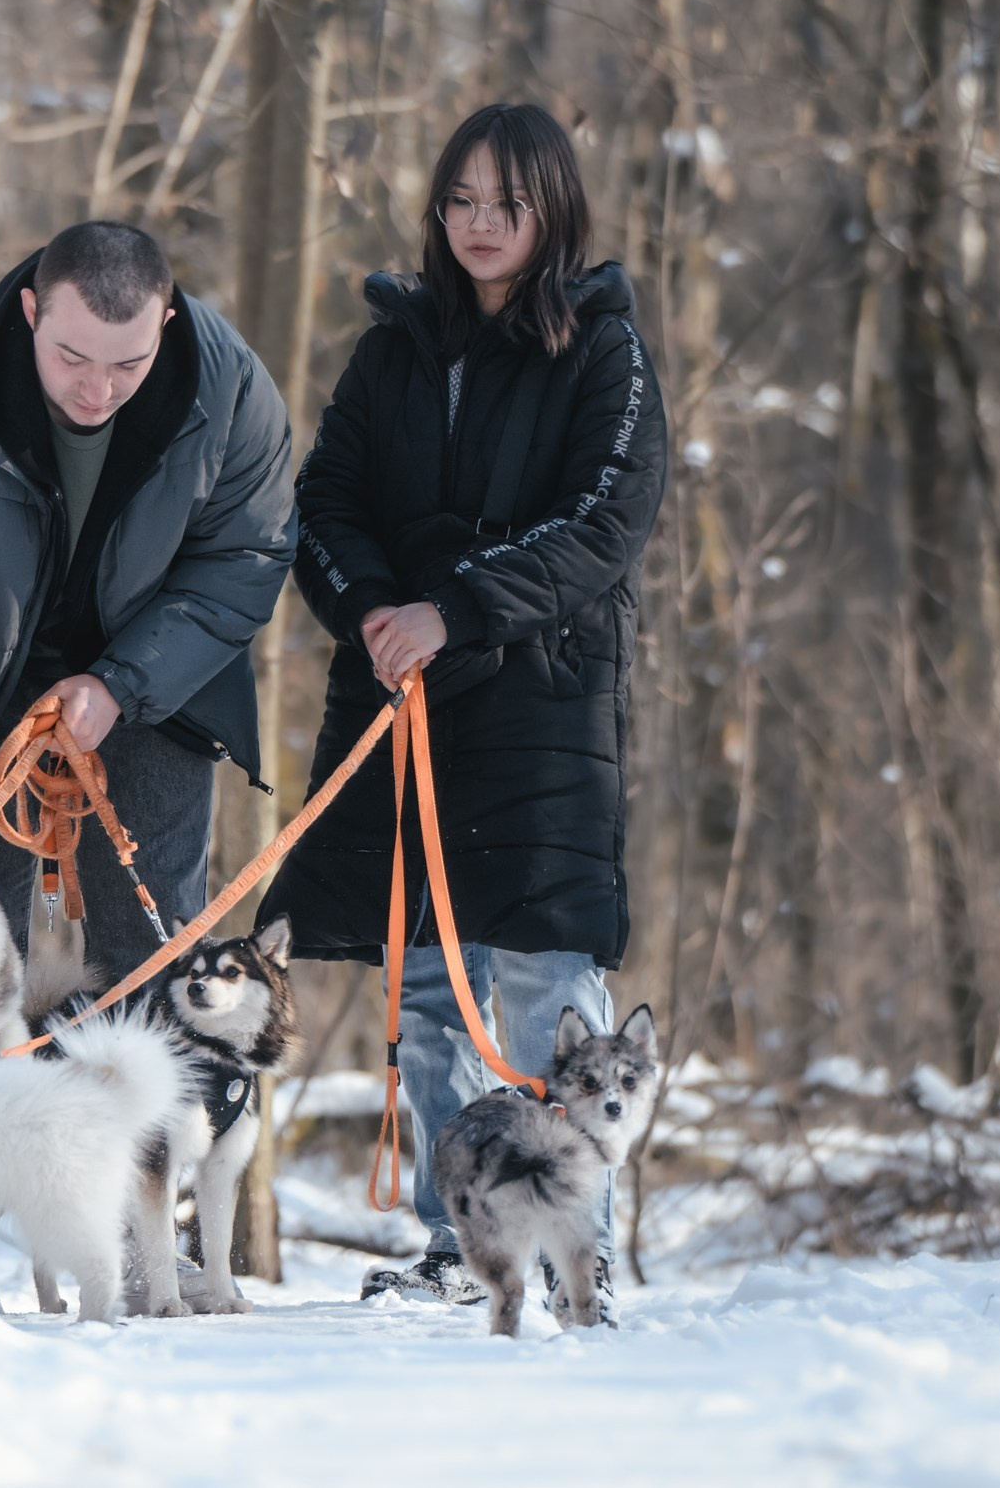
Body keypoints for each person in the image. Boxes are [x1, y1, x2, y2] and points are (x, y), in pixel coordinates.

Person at [260, 105, 670, 1304]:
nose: (480, 225)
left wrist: (461, 607)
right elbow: (324, 501)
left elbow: (606, 520)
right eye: (461, 202)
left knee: (547, 983)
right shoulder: (392, 347)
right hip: (406, 701)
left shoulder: (604, 348)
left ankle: (572, 1246)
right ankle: (468, 1246)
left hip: (543, 704)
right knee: (428, 986)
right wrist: (378, 611)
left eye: (508, 203)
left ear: (553, 210)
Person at [0, 220, 295, 989]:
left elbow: (243, 559)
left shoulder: (234, 393)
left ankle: (162, 1105)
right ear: (32, 310)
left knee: (153, 952)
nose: (97, 390)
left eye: (128, 363)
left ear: (165, 323)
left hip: (160, 671)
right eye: (71, 358)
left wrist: (120, 684)